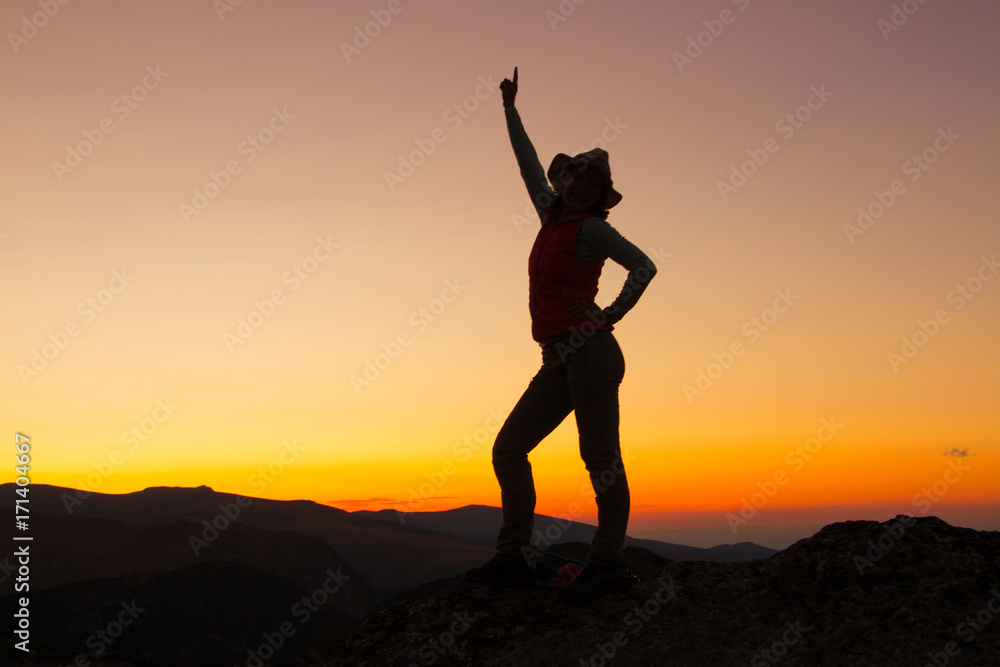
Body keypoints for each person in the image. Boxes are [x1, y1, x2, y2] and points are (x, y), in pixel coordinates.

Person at [463, 67, 658, 603]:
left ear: (599, 196)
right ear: (563, 182)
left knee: (600, 459)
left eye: (593, 183)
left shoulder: (593, 229)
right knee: (509, 448)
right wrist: (509, 107)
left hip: (591, 353)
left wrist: (609, 313)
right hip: (557, 357)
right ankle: (512, 555)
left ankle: (608, 564)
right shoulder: (550, 218)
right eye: (576, 177)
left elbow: (643, 266)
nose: (582, 184)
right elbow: (526, 162)